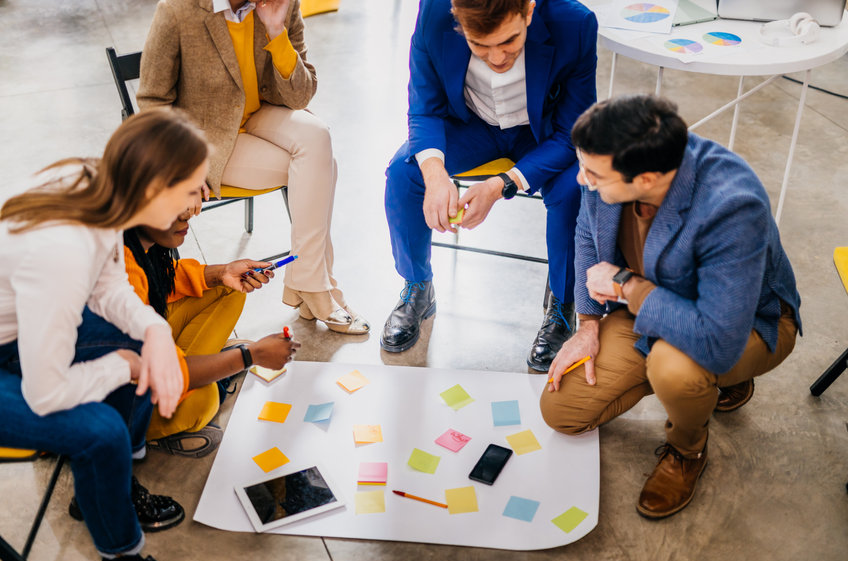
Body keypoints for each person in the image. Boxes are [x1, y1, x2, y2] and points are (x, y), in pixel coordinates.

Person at [539, 95, 802, 519]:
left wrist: (627, 287)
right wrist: (588, 324)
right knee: (561, 411)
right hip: (651, 306)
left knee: (674, 368)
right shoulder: (610, 161)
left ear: (645, 178)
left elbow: (718, 341)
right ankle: (695, 386)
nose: (582, 180)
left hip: (742, 325)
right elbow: (588, 236)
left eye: (593, 173)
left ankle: (688, 450)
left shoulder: (734, 206)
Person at [0, 108, 209, 561]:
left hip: (22, 328)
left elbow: (109, 284)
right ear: (155, 190)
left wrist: (153, 330)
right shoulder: (63, 251)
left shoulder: (101, 181)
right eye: (192, 189)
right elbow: (46, 393)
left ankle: (113, 481)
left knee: (141, 344)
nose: (199, 200)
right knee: (102, 431)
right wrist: (124, 365)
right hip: (16, 353)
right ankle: (122, 556)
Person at [381, 0, 597, 370]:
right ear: (457, 19)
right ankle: (418, 285)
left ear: (529, 12)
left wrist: (502, 185)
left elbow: (572, 133)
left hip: (543, 135)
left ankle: (562, 303)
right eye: (480, 45)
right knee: (404, 174)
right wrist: (435, 174)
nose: (497, 58)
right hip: (470, 124)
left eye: (510, 42)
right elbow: (424, 108)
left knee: (573, 190)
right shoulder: (434, 10)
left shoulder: (574, 22)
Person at [137, 0, 369, 335]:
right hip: (203, 142)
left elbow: (300, 97)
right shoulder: (177, 9)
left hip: (260, 115)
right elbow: (152, 102)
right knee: (320, 166)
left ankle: (311, 285)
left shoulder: (280, 5)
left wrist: (277, 32)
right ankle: (318, 288)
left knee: (317, 138)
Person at [123, 210, 300, 457]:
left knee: (230, 287)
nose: (191, 211)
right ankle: (205, 379)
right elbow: (168, 371)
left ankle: (206, 368)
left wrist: (222, 272)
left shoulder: (129, 240)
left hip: (144, 353)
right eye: (183, 196)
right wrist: (249, 356)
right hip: (105, 401)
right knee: (204, 401)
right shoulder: (116, 273)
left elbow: (162, 280)